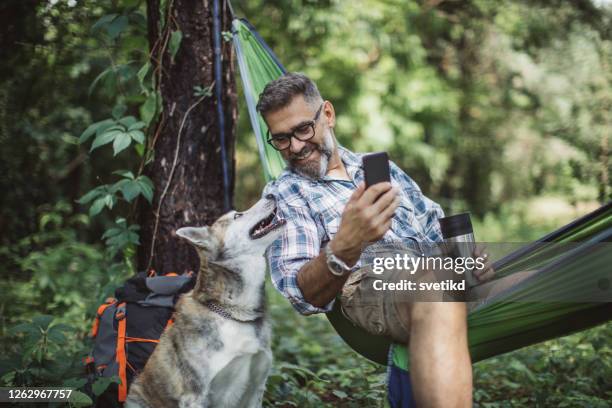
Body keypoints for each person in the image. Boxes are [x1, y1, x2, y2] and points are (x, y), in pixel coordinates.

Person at [259, 72, 495, 407]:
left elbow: (434, 229)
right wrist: (345, 244)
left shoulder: (379, 169)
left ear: (328, 114)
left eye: (302, 130)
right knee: (434, 285)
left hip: (440, 272)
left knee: (552, 278)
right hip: (374, 283)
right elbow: (302, 294)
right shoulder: (286, 193)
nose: (295, 147)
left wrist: (470, 259)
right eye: (281, 139)